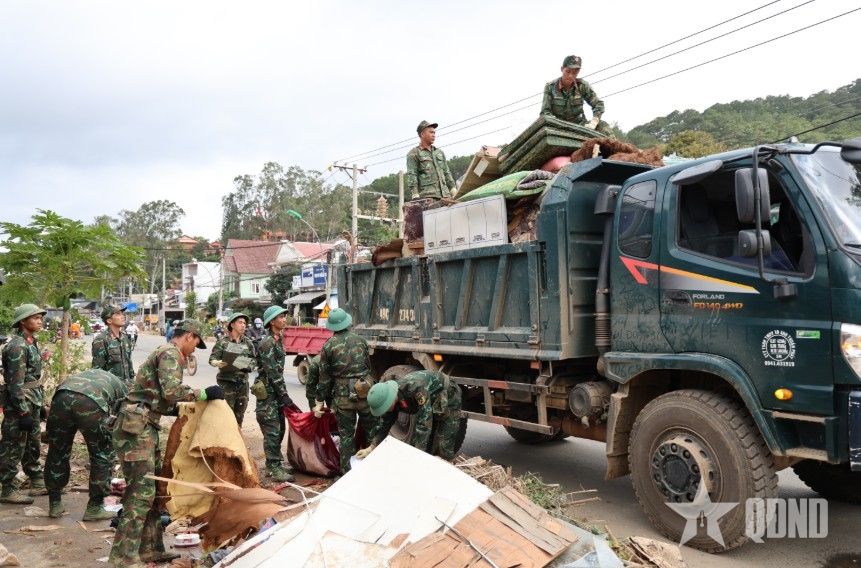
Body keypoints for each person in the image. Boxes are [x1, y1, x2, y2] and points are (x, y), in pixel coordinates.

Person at [109, 319, 223, 568]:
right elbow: (172, 391)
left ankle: (150, 549)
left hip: (144, 425)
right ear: (189, 336)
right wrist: (203, 394)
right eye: (196, 344)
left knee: (151, 491)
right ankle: (124, 558)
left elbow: (161, 399)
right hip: (136, 429)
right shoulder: (171, 353)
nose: (193, 351)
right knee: (140, 494)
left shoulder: (167, 352)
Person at [45, 369, 128, 521]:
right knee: (101, 454)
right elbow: (121, 419)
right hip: (90, 402)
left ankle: (54, 504)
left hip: (61, 397)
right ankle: (94, 507)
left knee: (57, 451)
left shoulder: (96, 375)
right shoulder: (124, 389)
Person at [313, 308, 376, 475]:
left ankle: (346, 473)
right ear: (347, 322)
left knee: (346, 436)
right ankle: (374, 469)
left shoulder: (328, 346)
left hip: (343, 398)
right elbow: (368, 367)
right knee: (372, 431)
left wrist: (319, 401)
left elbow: (325, 378)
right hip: (365, 393)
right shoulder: (361, 340)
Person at [0, 304, 48, 504]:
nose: (40, 321)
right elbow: (15, 383)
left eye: (40, 318)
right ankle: (7, 488)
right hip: (19, 405)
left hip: (32, 400)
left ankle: (36, 480)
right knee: (13, 445)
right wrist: (22, 412)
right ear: (23, 321)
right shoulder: (17, 346)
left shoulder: (31, 342)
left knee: (32, 443)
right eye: (35, 318)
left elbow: (32, 378)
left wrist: (39, 405)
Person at [361, 370, 463, 461]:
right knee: (426, 445)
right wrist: (371, 447)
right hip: (431, 401)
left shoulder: (416, 388)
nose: (385, 410)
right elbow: (385, 424)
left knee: (444, 445)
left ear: (390, 399)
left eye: (384, 407)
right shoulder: (391, 397)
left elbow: (424, 424)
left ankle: (447, 466)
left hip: (449, 395)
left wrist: (417, 455)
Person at [254, 306, 295, 482]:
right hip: (269, 394)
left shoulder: (278, 339)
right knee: (272, 431)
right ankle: (273, 468)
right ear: (272, 321)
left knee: (280, 429)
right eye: (281, 317)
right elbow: (272, 372)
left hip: (276, 392)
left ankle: (275, 463)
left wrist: (282, 394)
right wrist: (284, 394)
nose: (284, 320)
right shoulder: (267, 343)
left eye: (285, 316)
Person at [540, 55, 609, 134]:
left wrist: (594, 122)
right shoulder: (551, 87)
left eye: (574, 73)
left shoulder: (582, 86)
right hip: (557, 126)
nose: (570, 76)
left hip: (579, 126)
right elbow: (545, 112)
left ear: (578, 72)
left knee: (603, 126)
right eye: (568, 72)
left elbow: (598, 104)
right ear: (562, 69)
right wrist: (554, 122)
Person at [209, 312, 256, 426]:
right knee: (225, 416)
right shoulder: (223, 342)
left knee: (239, 416)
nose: (243, 325)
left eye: (244, 323)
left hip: (242, 384)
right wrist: (216, 363)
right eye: (240, 322)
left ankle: (237, 436)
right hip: (226, 384)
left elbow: (254, 360)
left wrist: (246, 365)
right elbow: (212, 358)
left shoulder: (248, 342)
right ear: (232, 325)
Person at [406, 120, 456, 200]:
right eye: (431, 132)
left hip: (445, 197)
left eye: (434, 133)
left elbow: (447, 172)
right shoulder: (414, 153)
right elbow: (412, 175)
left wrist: (453, 190)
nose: (433, 135)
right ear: (422, 134)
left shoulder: (439, 153)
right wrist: (415, 195)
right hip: (427, 197)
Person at [92, 305, 135, 383]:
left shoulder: (125, 338)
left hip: (127, 385)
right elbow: (97, 370)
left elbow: (129, 364)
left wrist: (132, 381)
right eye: (118, 314)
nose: (123, 316)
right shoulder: (101, 339)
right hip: (111, 386)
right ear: (109, 320)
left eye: (122, 314)